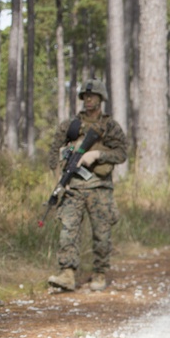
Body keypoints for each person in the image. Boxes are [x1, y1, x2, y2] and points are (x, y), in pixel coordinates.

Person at [47, 79, 129, 292]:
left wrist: (97, 154)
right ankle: (67, 273)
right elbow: (54, 150)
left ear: (101, 99)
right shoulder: (71, 125)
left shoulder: (110, 126)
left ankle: (99, 273)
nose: (88, 99)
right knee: (68, 231)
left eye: (92, 96)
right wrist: (59, 172)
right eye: (85, 96)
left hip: (100, 188)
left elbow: (121, 154)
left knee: (102, 234)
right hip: (73, 187)